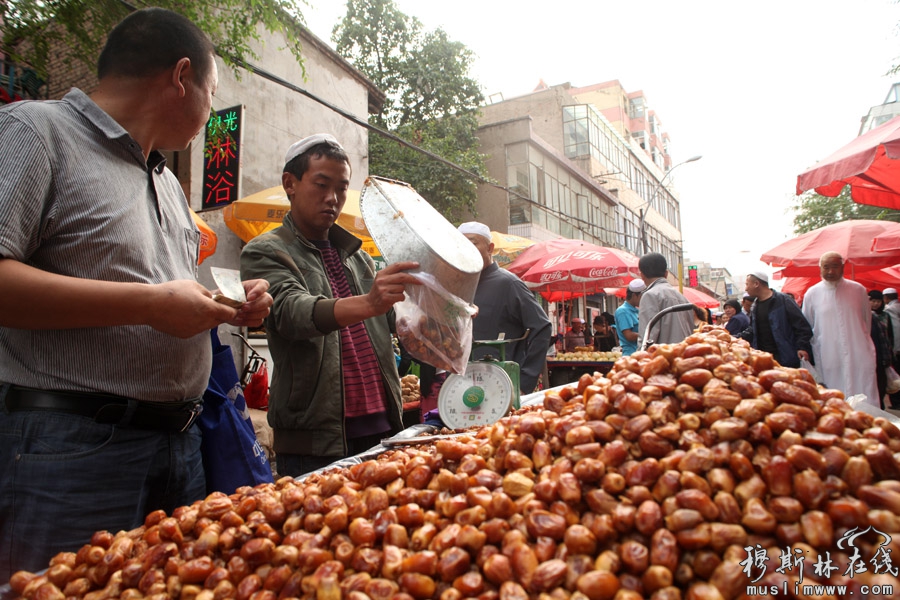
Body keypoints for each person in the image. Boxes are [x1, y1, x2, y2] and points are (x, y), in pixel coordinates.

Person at [0, 8, 274, 580]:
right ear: (180, 77)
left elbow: (164, 288)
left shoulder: (168, 181)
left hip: (179, 445)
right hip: (73, 449)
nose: (209, 110)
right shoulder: (37, 132)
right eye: (212, 90)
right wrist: (150, 306)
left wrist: (225, 304)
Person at [240, 134, 421, 477]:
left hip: (383, 427)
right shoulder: (266, 251)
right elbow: (292, 312)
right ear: (289, 183)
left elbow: (391, 326)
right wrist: (370, 302)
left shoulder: (361, 260)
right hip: (316, 443)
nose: (332, 198)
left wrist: (428, 315)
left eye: (341, 188)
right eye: (321, 184)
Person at [457, 222, 552, 395]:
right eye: (460, 244)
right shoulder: (458, 285)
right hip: (462, 384)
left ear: (490, 248)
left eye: (472, 243)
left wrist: (524, 381)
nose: (466, 249)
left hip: (503, 385)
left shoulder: (509, 283)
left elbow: (542, 327)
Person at [802, 252, 879, 407]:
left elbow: (866, 321)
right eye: (826, 267)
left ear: (843, 267)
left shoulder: (858, 290)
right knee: (834, 396)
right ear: (820, 269)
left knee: (864, 392)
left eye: (835, 267)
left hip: (858, 351)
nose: (830, 271)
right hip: (828, 353)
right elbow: (808, 325)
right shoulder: (812, 293)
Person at [743, 271, 812, 368]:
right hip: (765, 360)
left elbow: (802, 326)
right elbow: (752, 330)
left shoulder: (783, 300)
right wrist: (732, 337)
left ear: (756, 284)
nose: (746, 288)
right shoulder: (755, 305)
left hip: (786, 359)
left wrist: (802, 347)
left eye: (747, 284)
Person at [637, 252, 693, 347]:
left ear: (642, 275)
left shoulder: (650, 295)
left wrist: (640, 357)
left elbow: (647, 338)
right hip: (683, 356)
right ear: (666, 274)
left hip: (663, 358)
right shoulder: (682, 298)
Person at [869, 290, 894, 408]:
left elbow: (889, 335)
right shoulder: (865, 316)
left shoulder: (885, 315)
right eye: (873, 301)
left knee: (882, 386)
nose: (875, 304)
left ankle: (880, 407)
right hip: (871, 356)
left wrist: (890, 354)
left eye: (878, 301)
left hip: (882, 355)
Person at [615, 279, 646, 356]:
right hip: (631, 355)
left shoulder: (636, 310)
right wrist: (647, 335)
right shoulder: (622, 311)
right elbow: (629, 335)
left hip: (639, 353)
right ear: (634, 295)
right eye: (642, 296)